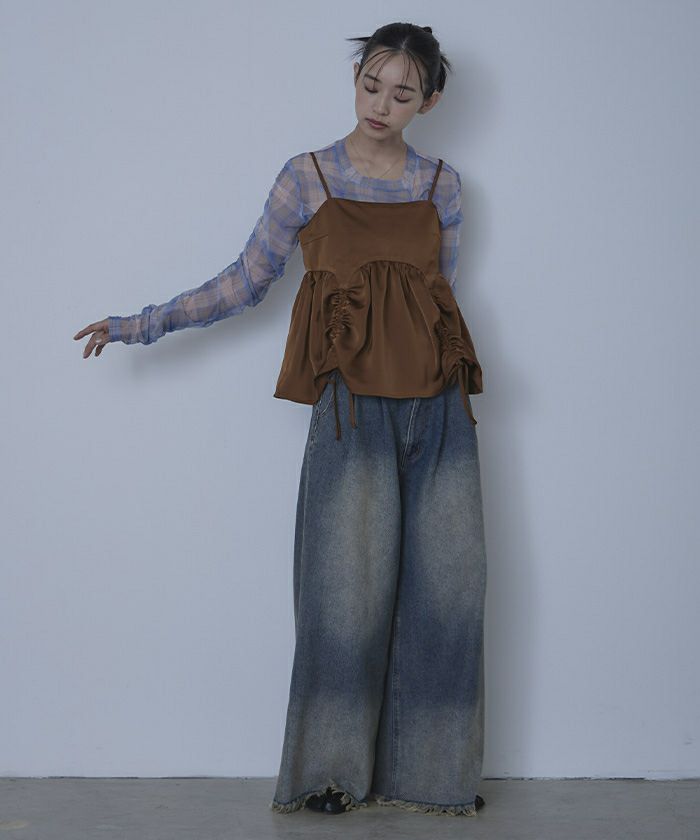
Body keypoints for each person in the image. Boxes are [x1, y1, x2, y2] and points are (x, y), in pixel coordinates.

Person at [74, 21, 487, 819]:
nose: (381, 104)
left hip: (438, 408)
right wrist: (139, 324)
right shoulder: (308, 177)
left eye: (403, 94)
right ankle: (331, 774)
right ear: (356, 78)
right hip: (349, 412)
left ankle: (436, 774)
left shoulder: (442, 185)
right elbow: (244, 281)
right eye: (371, 84)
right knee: (344, 594)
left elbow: (439, 296)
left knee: (449, 591)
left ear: (427, 103)